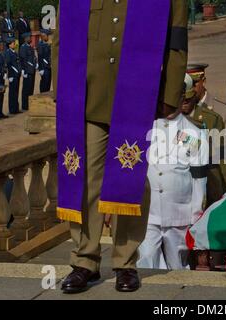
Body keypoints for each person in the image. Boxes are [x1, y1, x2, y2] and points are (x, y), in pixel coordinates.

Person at [54, 0, 188, 293]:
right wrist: (59, 88)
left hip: (136, 94)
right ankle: (84, 261)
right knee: (85, 177)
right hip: (86, 94)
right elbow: (62, 38)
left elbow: (176, 41)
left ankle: (125, 262)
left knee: (133, 181)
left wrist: (171, 92)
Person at [137, 76, 208, 270]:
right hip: (148, 212)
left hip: (179, 214)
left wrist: (196, 215)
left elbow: (199, 179)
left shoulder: (194, 133)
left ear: (182, 98)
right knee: (145, 261)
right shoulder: (144, 128)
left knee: (178, 265)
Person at [181, 74, 226, 207]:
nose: (184, 104)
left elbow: (222, 157)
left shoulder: (212, 119)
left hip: (208, 181)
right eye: (181, 100)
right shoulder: (168, 121)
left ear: (194, 96)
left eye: (188, 100)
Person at [187, 63, 226, 132]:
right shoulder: (175, 111)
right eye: (185, 85)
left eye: (194, 83)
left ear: (204, 81)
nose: (189, 88)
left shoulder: (224, 112)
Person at [19, 32, 36, 111]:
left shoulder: (30, 47)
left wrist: (35, 64)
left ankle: (29, 104)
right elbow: (23, 60)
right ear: (25, 39)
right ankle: (25, 105)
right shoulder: (23, 47)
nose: (30, 38)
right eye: (29, 37)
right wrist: (24, 70)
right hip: (27, 71)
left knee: (31, 88)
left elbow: (33, 58)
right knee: (26, 89)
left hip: (32, 70)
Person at [5, 37, 21, 115]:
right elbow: (8, 65)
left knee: (16, 91)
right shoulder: (8, 53)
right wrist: (10, 75)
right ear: (9, 45)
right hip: (12, 75)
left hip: (16, 74)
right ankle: (12, 109)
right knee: (12, 93)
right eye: (13, 43)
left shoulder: (14, 52)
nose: (14, 44)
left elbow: (17, 62)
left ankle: (16, 108)